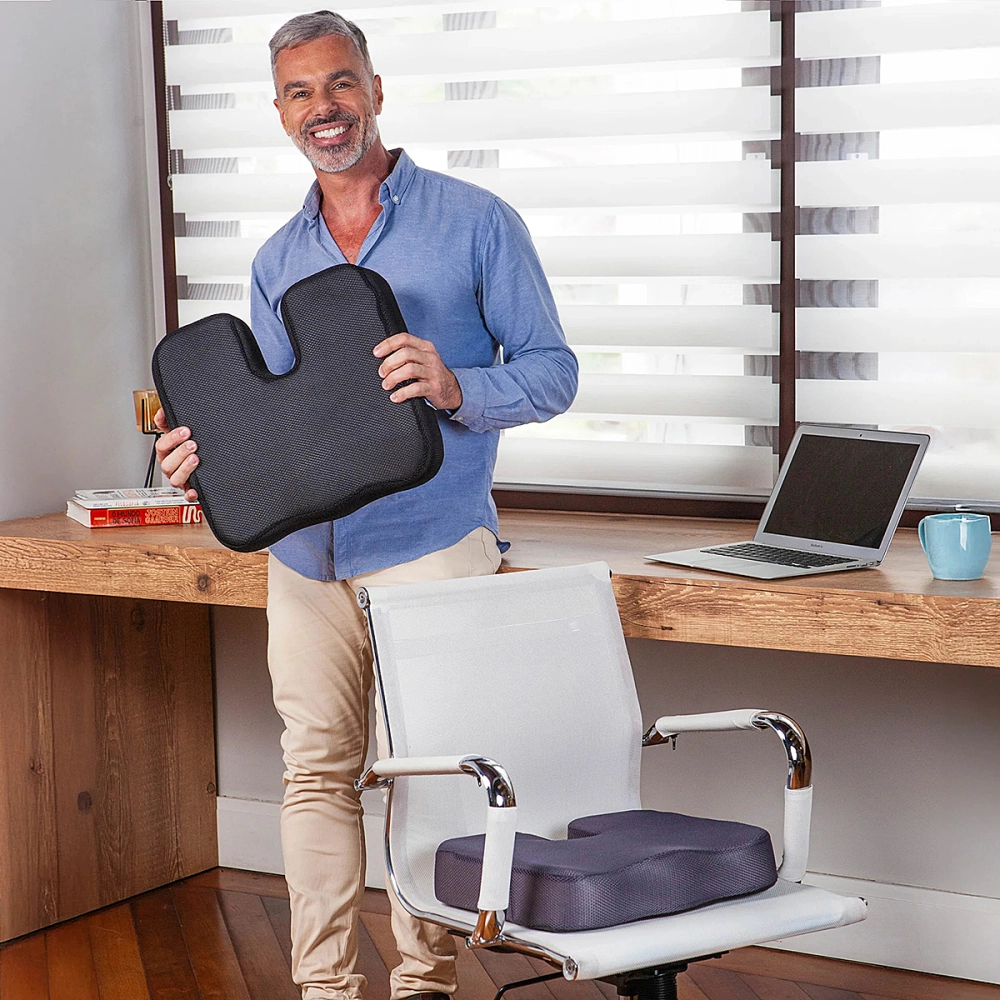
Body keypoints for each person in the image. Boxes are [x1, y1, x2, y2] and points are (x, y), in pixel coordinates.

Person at [155, 10, 577, 1000]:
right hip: (306, 557)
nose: (325, 107)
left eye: (340, 82)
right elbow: (277, 420)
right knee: (313, 770)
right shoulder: (277, 257)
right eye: (300, 92)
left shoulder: (476, 221)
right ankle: (325, 987)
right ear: (279, 111)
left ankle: (423, 982)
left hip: (431, 539)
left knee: (425, 771)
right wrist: (199, 462)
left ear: (375, 90)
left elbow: (553, 372)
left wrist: (456, 384)